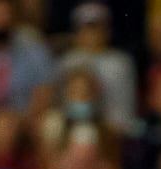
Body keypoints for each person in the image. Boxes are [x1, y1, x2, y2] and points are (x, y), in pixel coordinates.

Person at [57, 2, 135, 130]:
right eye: (87, 28)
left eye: (97, 28)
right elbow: (61, 102)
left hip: (113, 128)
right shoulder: (67, 61)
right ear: (77, 32)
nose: (92, 35)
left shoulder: (121, 63)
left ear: (108, 30)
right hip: (72, 127)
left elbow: (126, 106)